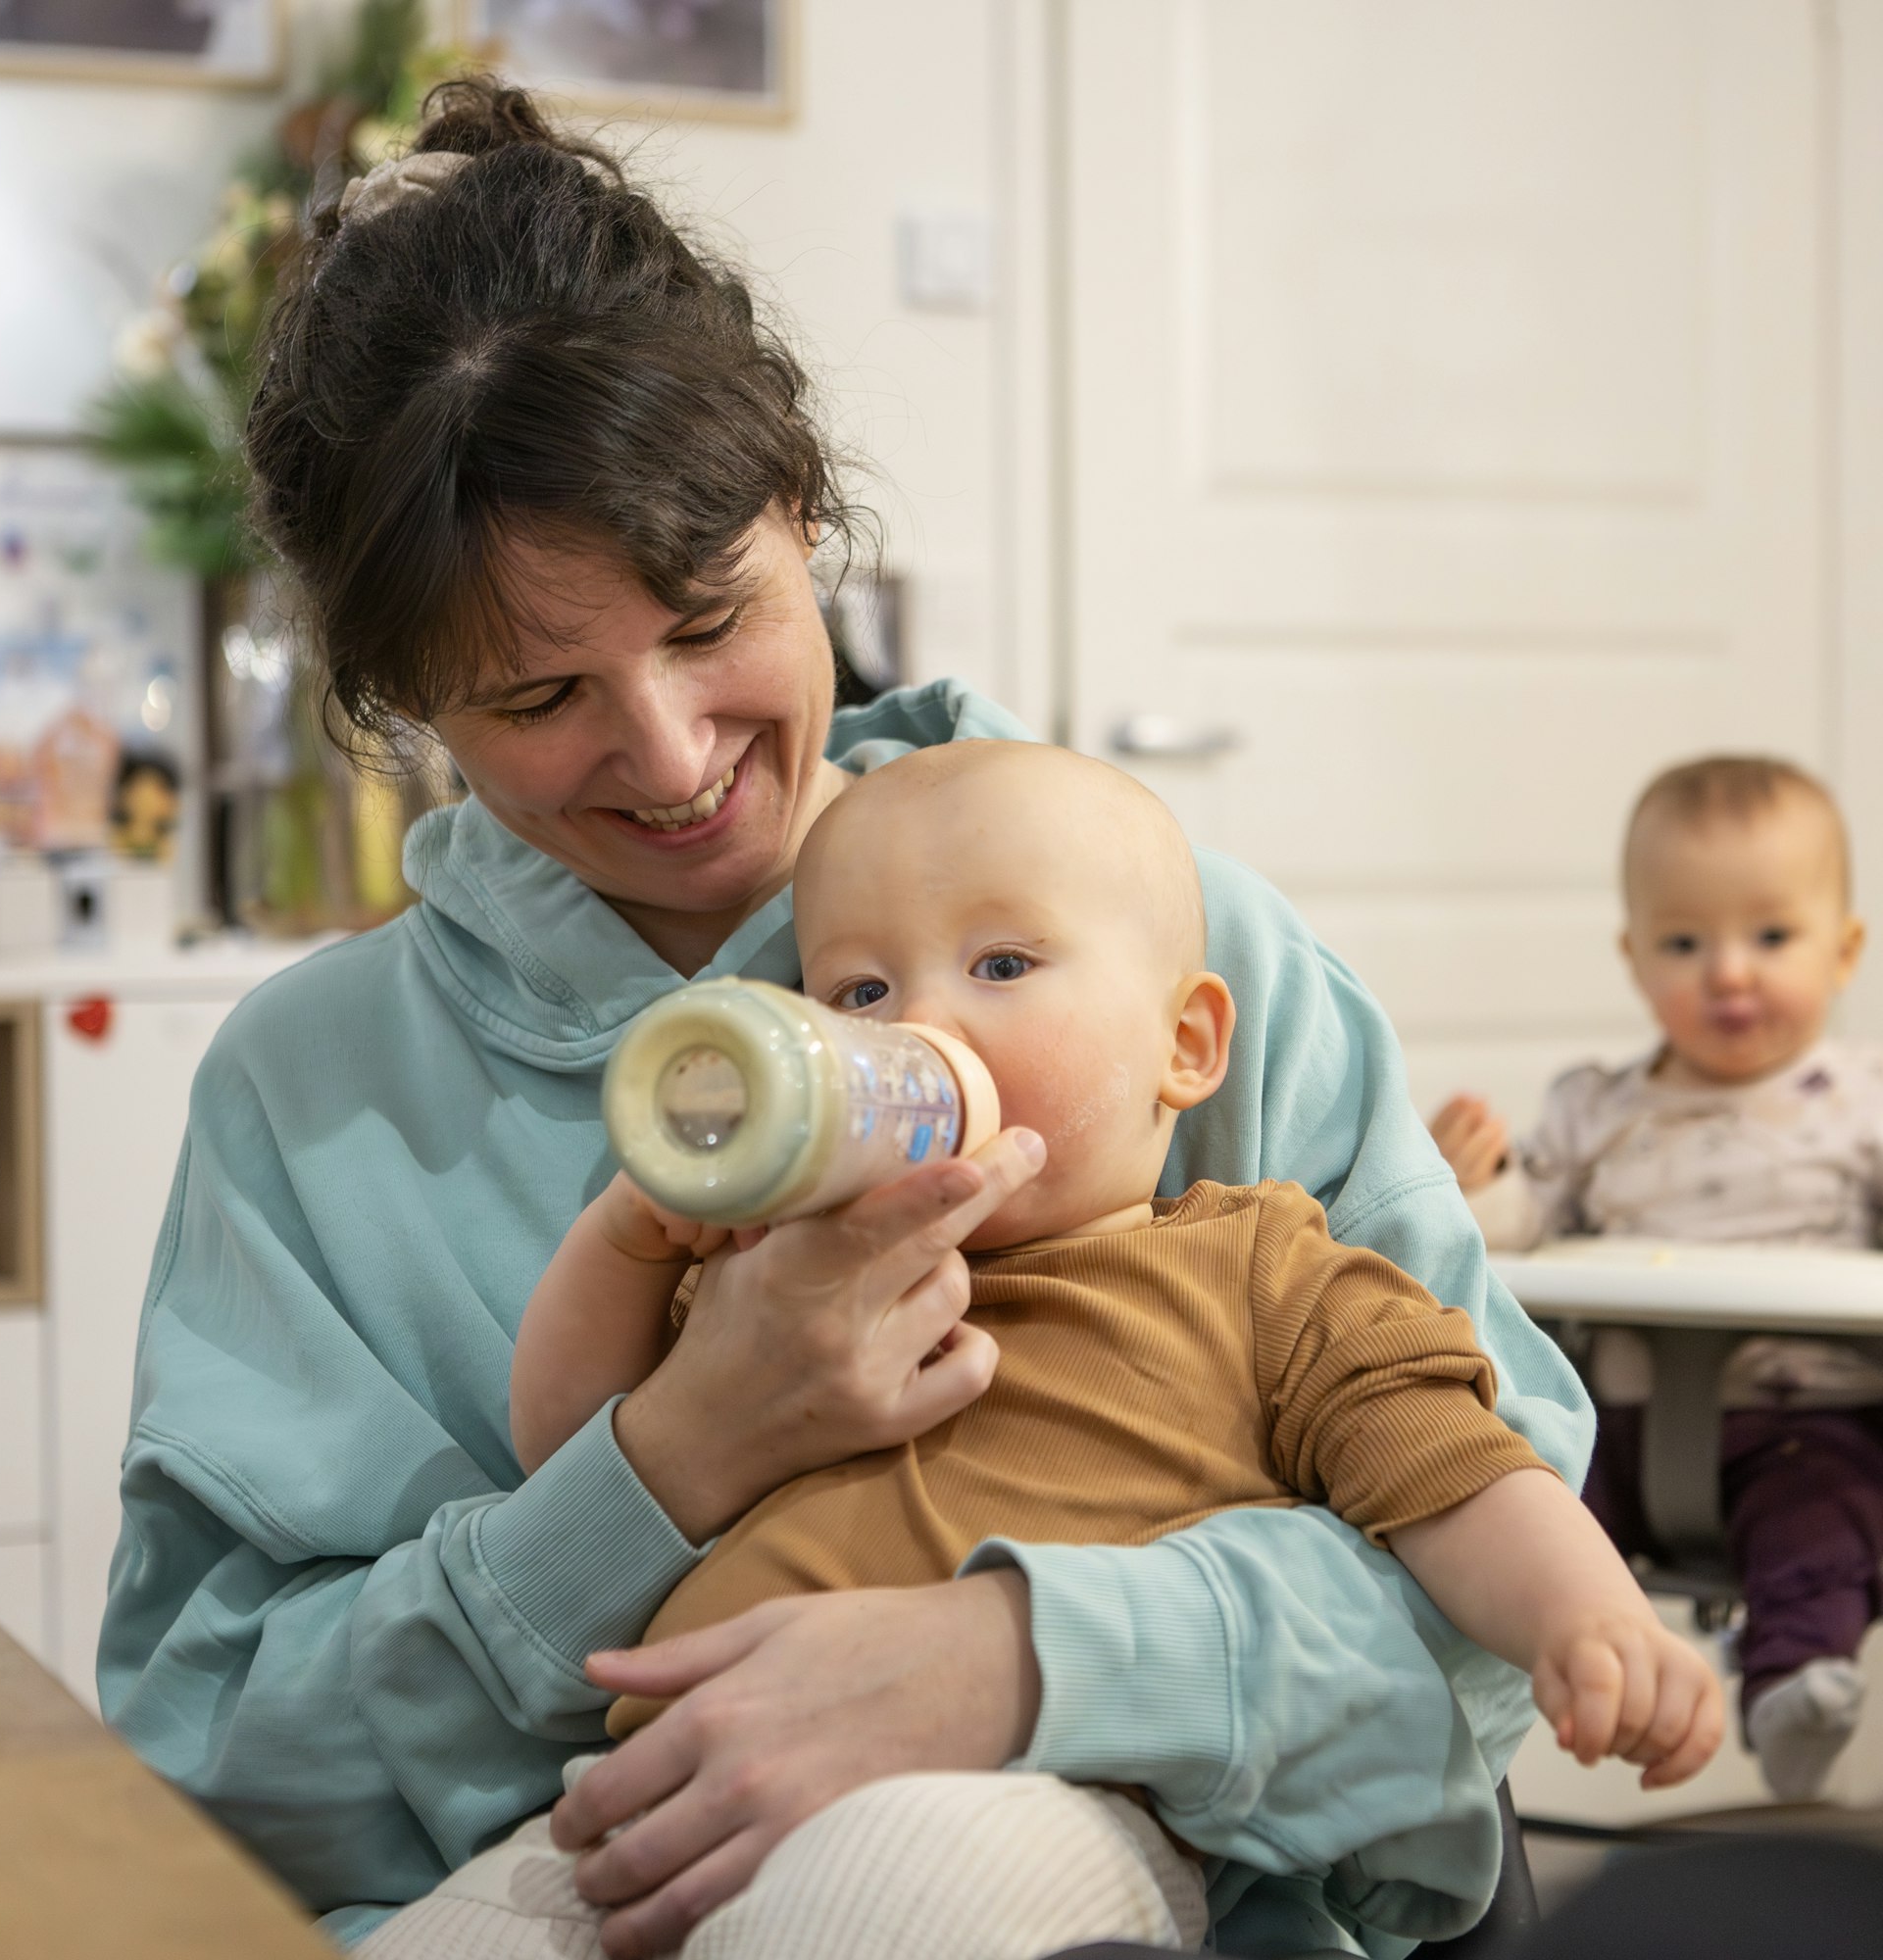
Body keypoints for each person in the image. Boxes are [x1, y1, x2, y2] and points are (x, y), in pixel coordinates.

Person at [98, 77, 1593, 1960]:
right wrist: (670, 1464)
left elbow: (1505, 1605)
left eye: (716, 617)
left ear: (811, 520)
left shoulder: (1176, 958)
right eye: (538, 691)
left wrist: (1028, 1662)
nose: (668, 755)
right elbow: (215, 1768)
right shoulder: (312, 1103)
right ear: (406, 706)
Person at [357, 741, 1718, 1959]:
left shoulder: (1259, 1270)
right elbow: (565, 1441)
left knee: (873, 1910)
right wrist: (630, 1241)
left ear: (1183, 1045)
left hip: (1029, 1802)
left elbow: (1456, 1471)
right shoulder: (782, 1265)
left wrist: (1590, 1619)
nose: (924, 1028)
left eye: (1003, 966)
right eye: (863, 989)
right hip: (664, 1804)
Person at [1430, 755, 1883, 1803]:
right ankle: (1522, 1690)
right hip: (1614, 1426)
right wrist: (1475, 1181)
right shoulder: (1595, 1109)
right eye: (1684, 942)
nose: (1726, 970)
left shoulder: (1859, 1108)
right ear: (1635, 961)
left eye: (1769, 936)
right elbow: (1523, 1227)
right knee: (1524, 1513)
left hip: (1805, 1416)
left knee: (1823, 1524)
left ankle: (1793, 1686)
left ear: (1842, 949)